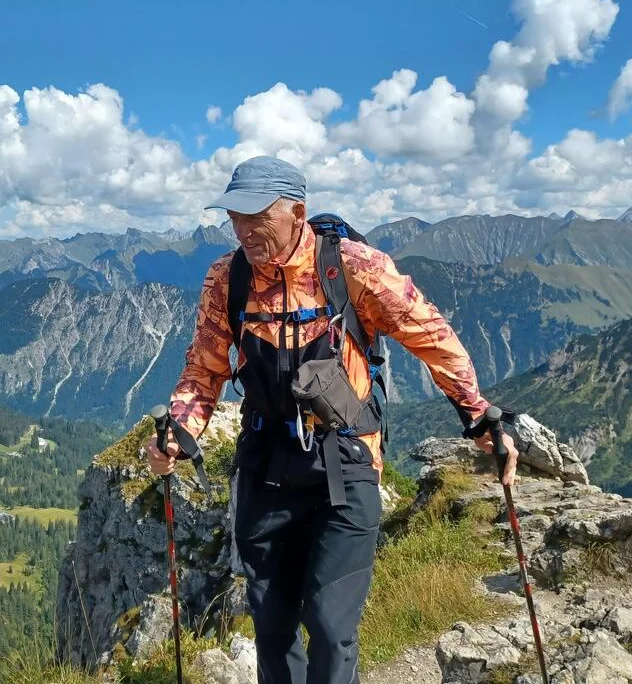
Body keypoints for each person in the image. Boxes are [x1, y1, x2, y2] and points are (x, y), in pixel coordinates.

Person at [142, 155, 518, 684]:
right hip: (264, 464)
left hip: (345, 462)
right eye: (235, 216)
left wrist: (478, 416)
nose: (243, 230)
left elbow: (431, 335)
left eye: (257, 217)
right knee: (272, 626)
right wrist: (177, 433)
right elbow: (204, 368)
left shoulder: (354, 268)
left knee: (329, 621)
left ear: (297, 210)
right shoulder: (227, 278)